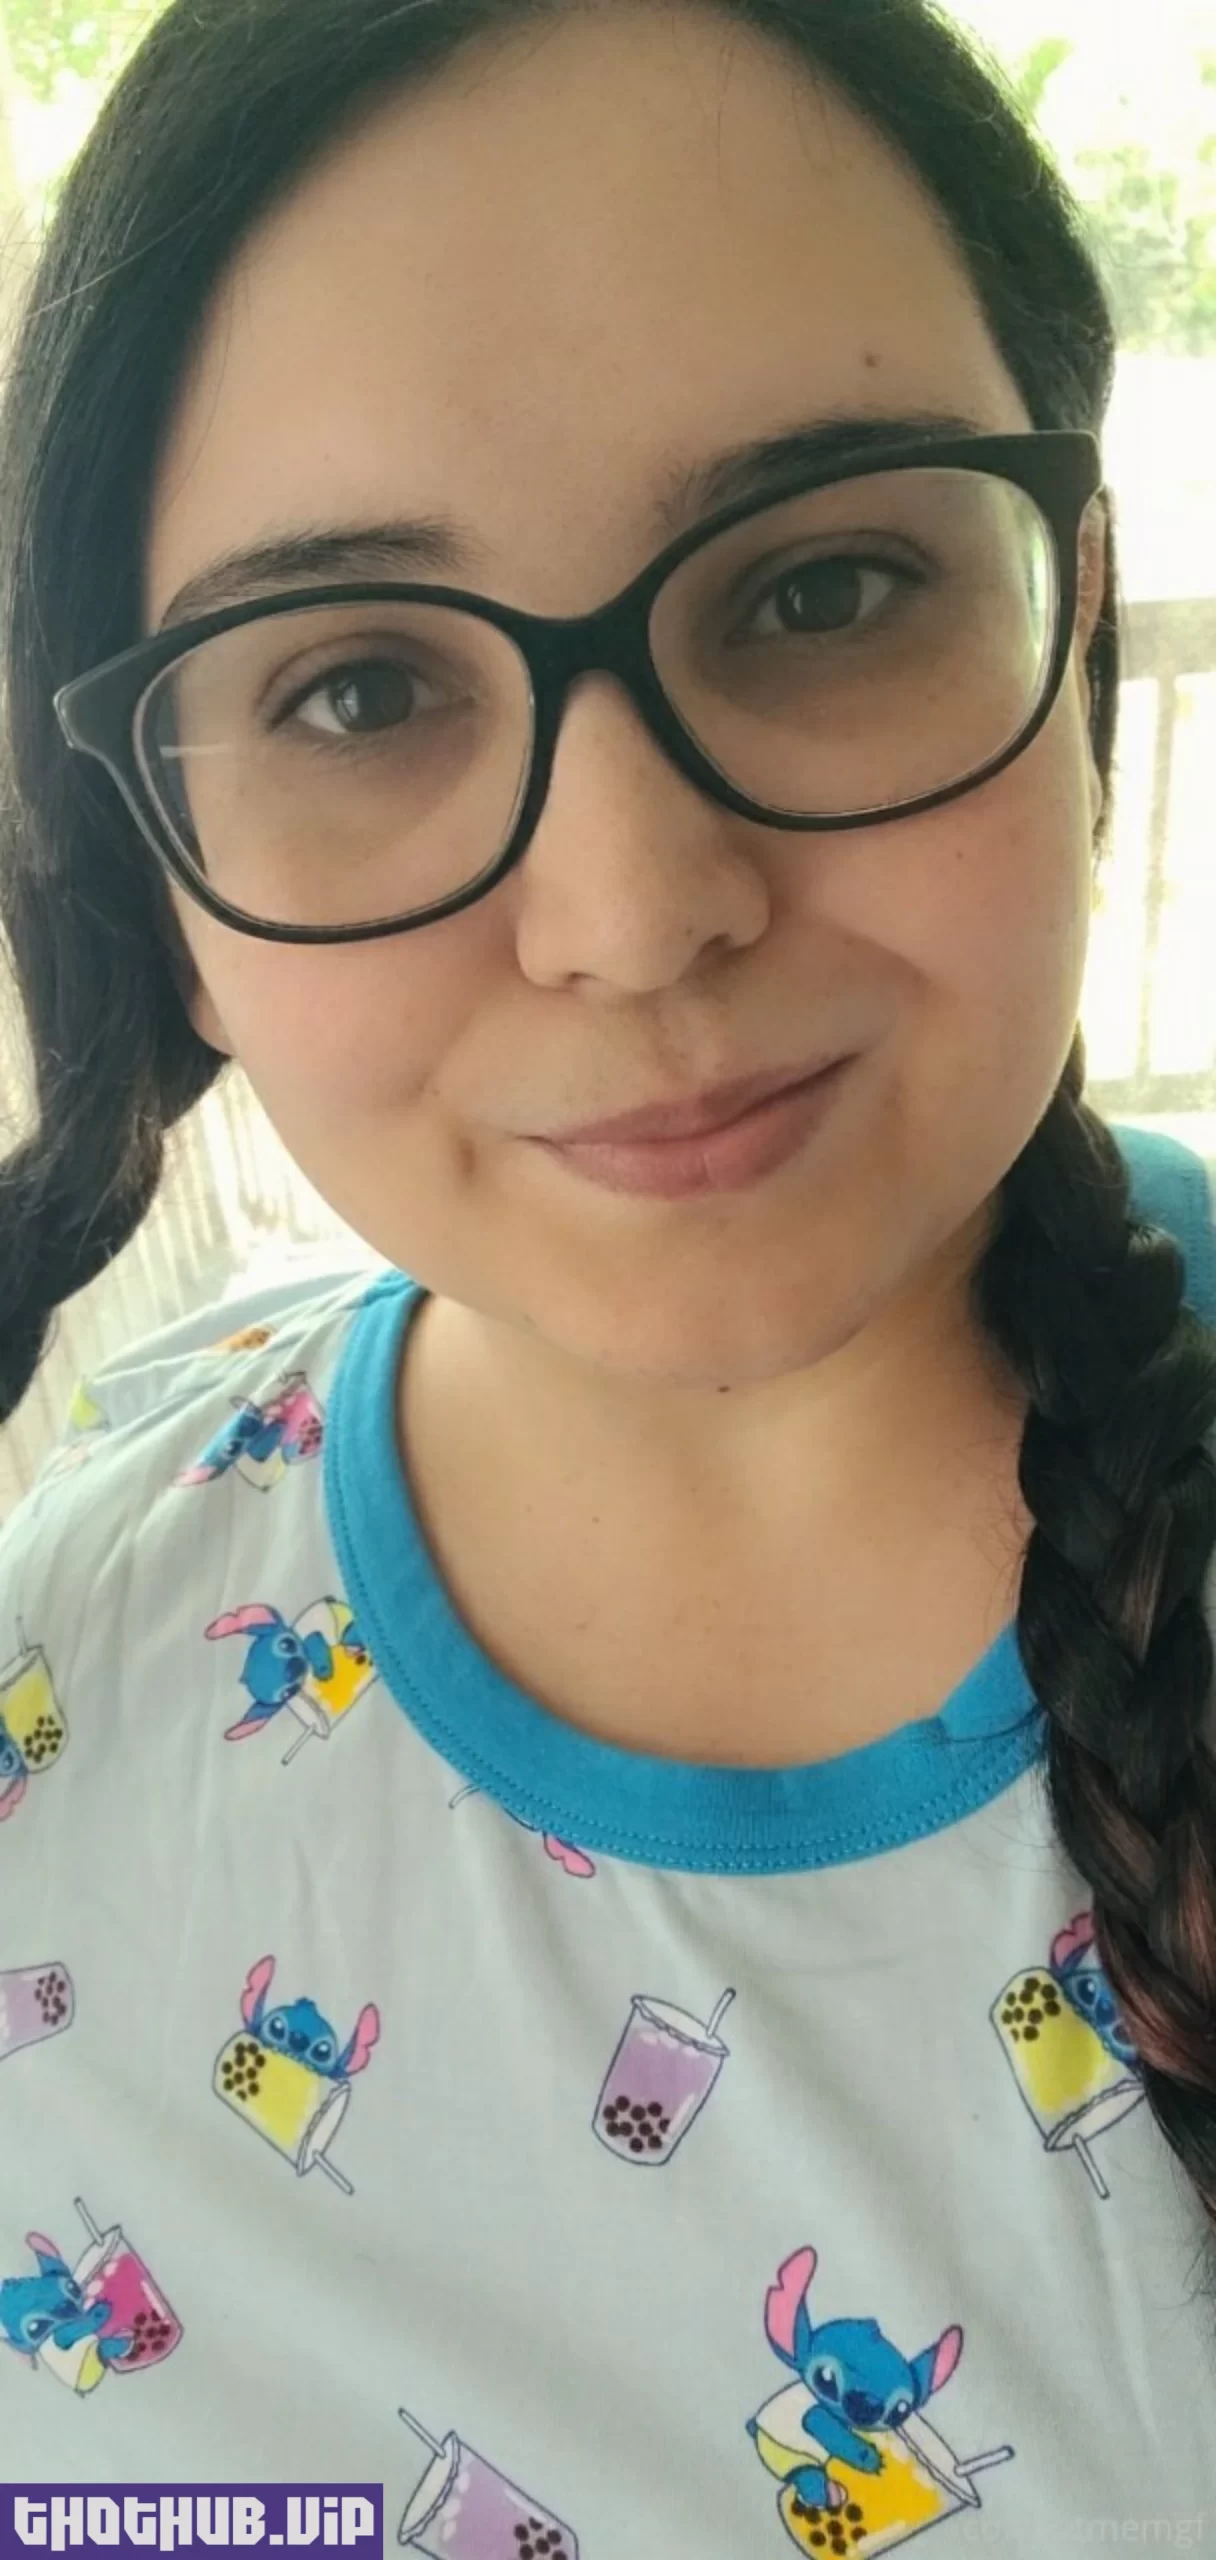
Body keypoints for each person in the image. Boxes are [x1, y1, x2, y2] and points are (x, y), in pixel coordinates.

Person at [0, 0, 1213, 2527]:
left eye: (824, 585)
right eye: (356, 686)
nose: (635, 909)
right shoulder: (52, 1734)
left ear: (1071, 621)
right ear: (159, 884)